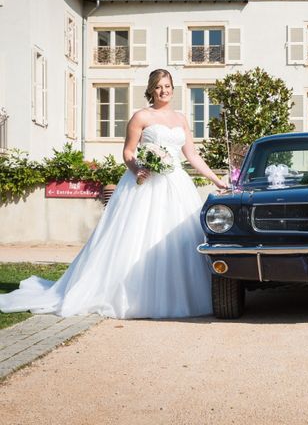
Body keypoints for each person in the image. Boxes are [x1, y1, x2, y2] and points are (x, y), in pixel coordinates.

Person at [0, 69, 228, 319]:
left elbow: (192, 155)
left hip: (176, 184)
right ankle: (130, 296)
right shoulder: (141, 116)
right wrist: (138, 169)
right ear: (151, 89)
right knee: (136, 239)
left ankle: (182, 295)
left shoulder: (181, 118)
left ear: (173, 88)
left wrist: (215, 179)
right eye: (159, 86)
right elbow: (129, 152)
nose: (164, 91)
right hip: (145, 185)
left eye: (167, 86)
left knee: (181, 240)